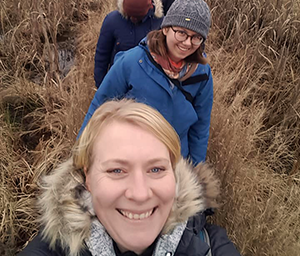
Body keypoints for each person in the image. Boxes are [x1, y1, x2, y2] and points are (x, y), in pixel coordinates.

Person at [19, 99, 241, 256]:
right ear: (87, 178)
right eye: (117, 170)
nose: (140, 193)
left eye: (156, 169)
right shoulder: (51, 248)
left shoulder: (209, 246)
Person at [78, 0, 213, 165]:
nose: (187, 43)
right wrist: (81, 157)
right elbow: (99, 108)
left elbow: (201, 126)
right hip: (132, 159)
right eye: (181, 33)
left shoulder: (202, 72)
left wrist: (196, 170)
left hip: (175, 161)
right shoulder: (132, 62)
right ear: (165, 29)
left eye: (196, 37)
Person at [94, 0, 164, 88]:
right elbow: (102, 56)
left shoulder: (160, 23)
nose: (133, 19)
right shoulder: (112, 21)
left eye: (138, 17)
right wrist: (101, 86)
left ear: (150, 8)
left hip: (148, 83)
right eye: (130, 15)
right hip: (118, 80)